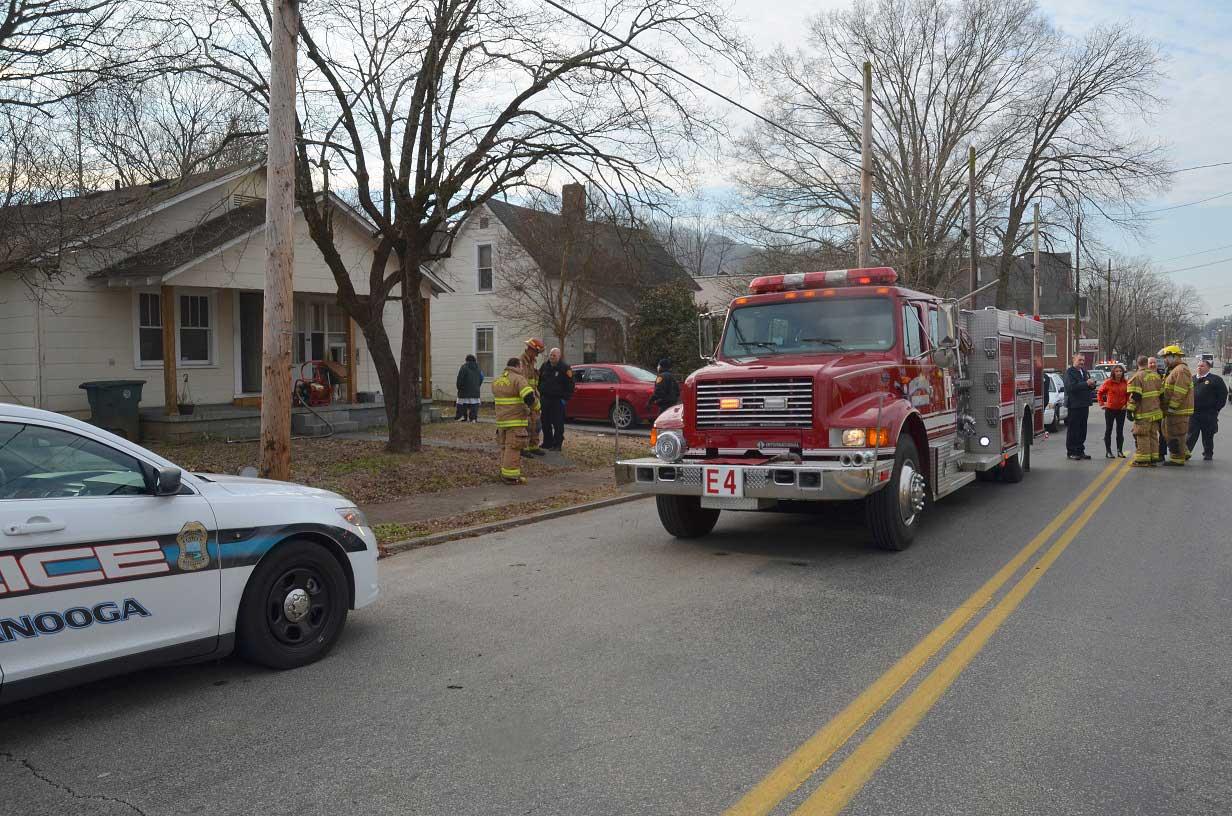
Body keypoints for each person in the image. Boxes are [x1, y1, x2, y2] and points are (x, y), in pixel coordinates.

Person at [491, 357, 539, 485]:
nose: (522, 369)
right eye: (521, 367)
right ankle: (511, 477)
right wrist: (537, 407)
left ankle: (504, 473)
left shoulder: (498, 380)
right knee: (513, 449)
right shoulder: (518, 379)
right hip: (515, 421)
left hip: (501, 422)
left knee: (505, 448)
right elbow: (529, 397)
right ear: (517, 366)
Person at [1126, 355, 1164, 468]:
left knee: (1142, 435)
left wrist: (1130, 409)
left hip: (1144, 412)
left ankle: (1143, 460)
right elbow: (1161, 395)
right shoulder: (1156, 376)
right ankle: (1153, 458)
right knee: (1153, 435)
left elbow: (1136, 396)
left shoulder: (1138, 376)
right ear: (1147, 363)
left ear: (1137, 364)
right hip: (1156, 412)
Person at [1159, 345, 1193, 466]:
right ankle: (1184, 451)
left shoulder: (1181, 370)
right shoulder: (1174, 370)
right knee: (1166, 431)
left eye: (1166, 357)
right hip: (1171, 410)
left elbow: (1180, 391)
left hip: (1177, 410)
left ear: (1174, 356)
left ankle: (1177, 458)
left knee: (1175, 434)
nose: (1164, 360)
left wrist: (1172, 407)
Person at [1187, 358, 1227, 460]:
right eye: (1198, 366)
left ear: (1208, 368)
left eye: (1202, 366)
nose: (1199, 368)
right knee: (1191, 434)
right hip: (1194, 413)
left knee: (1208, 435)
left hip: (1209, 414)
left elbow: (1223, 395)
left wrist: (1216, 408)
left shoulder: (1216, 380)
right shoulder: (1192, 379)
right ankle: (1186, 453)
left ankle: (1208, 453)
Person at [538, 347, 574, 451]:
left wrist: (565, 399)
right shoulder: (545, 366)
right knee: (545, 422)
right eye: (551, 355)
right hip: (545, 399)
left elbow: (571, 385)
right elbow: (539, 380)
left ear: (559, 356)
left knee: (558, 423)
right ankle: (547, 442)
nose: (552, 357)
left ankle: (557, 444)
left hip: (558, 400)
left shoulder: (565, 368)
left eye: (554, 355)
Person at [1063, 353, 1096, 460]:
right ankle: (1071, 451)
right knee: (1073, 429)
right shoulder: (1070, 372)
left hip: (1084, 404)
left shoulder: (1084, 371)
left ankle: (1080, 450)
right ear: (1074, 360)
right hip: (1074, 405)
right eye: (1079, 360)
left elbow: (1088, 386)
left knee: (1082, 429)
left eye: (1083, 360)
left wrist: (1092, 385)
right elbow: (1071, 387)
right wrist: (1086, 383)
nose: (1082, 362)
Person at [519, 338, 546, 456]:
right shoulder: (522, 362)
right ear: (530, 349)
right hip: (526, 397)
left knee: (536, 422)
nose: (537, 355)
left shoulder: (531, 362)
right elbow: (523, 382)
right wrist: (528, 399)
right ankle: (523, 448)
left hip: (534, 396)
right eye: (536, 352)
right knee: (526, 424)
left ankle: (534, 446)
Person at [1096, 364, 1128, 458]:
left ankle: (1120, 450)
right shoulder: (1108, 382)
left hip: (1121, 410)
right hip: (1110, 409)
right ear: (1113, 372)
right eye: (1116, 371)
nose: (1118, 373)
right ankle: (1108, 451)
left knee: (1120, 430)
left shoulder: (1125, 382)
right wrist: (1102, 404)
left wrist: (1126, 404)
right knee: (1108, 430)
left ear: (1123, 372)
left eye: (1120, 371)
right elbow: (1100, 393)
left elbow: (1128, 395)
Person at [454, 354, 484, 422]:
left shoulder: (463, 367)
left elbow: (460, 379)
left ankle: (461, 417)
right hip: (475, 391)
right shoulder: (478, 369)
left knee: (462, 404)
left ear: (466, 360)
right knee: (474, 405)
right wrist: (477, 386)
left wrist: (459, 387)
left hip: (464, 391)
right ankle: (473, 418)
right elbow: (482, 378)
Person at [1148, 355, 1166, 461]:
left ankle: (1161, 454)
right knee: (1149, 433)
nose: (1153, 365)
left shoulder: (1163, 375)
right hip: (1148, 410)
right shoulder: (1143, 376)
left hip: (1160, 409)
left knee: (1163, 433)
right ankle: (1150, 453)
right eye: (1150, 363)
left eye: (1154, 363)